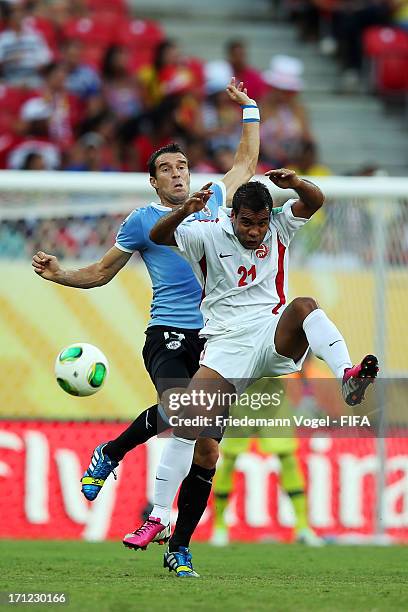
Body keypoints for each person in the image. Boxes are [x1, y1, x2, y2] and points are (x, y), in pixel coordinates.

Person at [31, 78, 260, 578]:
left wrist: (250, 112)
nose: (176, 174)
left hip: (218, 339)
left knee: (208, 447)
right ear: (154, 183)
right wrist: (59, 274)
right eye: (165, 170)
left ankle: (177, 546)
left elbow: (245, 163)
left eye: (181, 166)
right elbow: (99, 273)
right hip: (170, 335)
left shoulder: (216, 199)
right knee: (186, 414)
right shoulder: (143, 221)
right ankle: (111, 453)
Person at [132, 170, 378, 553]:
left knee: (304, 306)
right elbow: (158, 237)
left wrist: (296, 182)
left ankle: (346, 375)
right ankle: (159, 516)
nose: (255, 231)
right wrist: (186, 212)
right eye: (247, 223)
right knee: (186, 422)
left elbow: (315, 201)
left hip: (269, 333)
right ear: (233, 216)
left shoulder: (279, 225)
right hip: (227, 343)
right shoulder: (208, 232)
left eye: (261, 223)